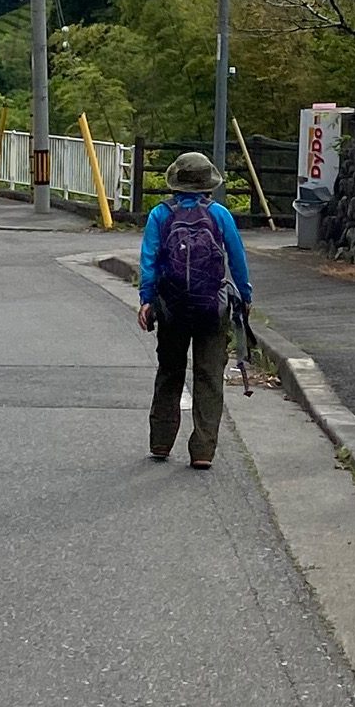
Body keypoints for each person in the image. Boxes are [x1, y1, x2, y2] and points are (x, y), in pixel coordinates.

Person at [137, 150, 253, 469]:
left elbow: (148, 261)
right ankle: (202, 450)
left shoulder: (160, 215)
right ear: (208, 184)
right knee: (209, 376)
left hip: (171, 308)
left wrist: (147, 299)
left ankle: (161, 442)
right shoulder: (220, 215)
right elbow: (237, 259)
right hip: (211, 308)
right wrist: (244, 295)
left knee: (170, 372)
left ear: (175, 182)